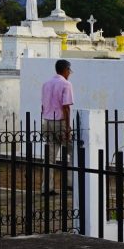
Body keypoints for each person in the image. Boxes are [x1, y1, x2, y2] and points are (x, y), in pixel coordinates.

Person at [40, 59, 74, 195]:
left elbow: (43, 105)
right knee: (73, 153)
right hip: (60, 121)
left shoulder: (46, 84)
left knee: (49, 157)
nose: (69, 74)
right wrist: (68, 126)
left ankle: (47, 187)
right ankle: (70, 183)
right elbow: (66, 107)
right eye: (69, 71)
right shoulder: (66, 84)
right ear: (65, 70)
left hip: (47, 121)